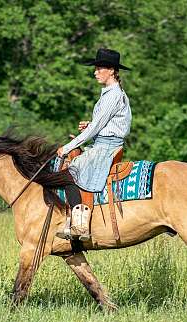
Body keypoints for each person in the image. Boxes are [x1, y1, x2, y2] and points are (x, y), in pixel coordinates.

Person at [56, 48, 132, 241]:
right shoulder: (111, 94)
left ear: (112, 71)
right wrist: (90, 126)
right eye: (96, 68)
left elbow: (96, 129)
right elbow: (104, 125)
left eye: (99, 68)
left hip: (106, 147)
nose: (95, 72)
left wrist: (67, 147)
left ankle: (80, 225)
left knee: (69, 173)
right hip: (104, 143)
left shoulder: (113, 95)